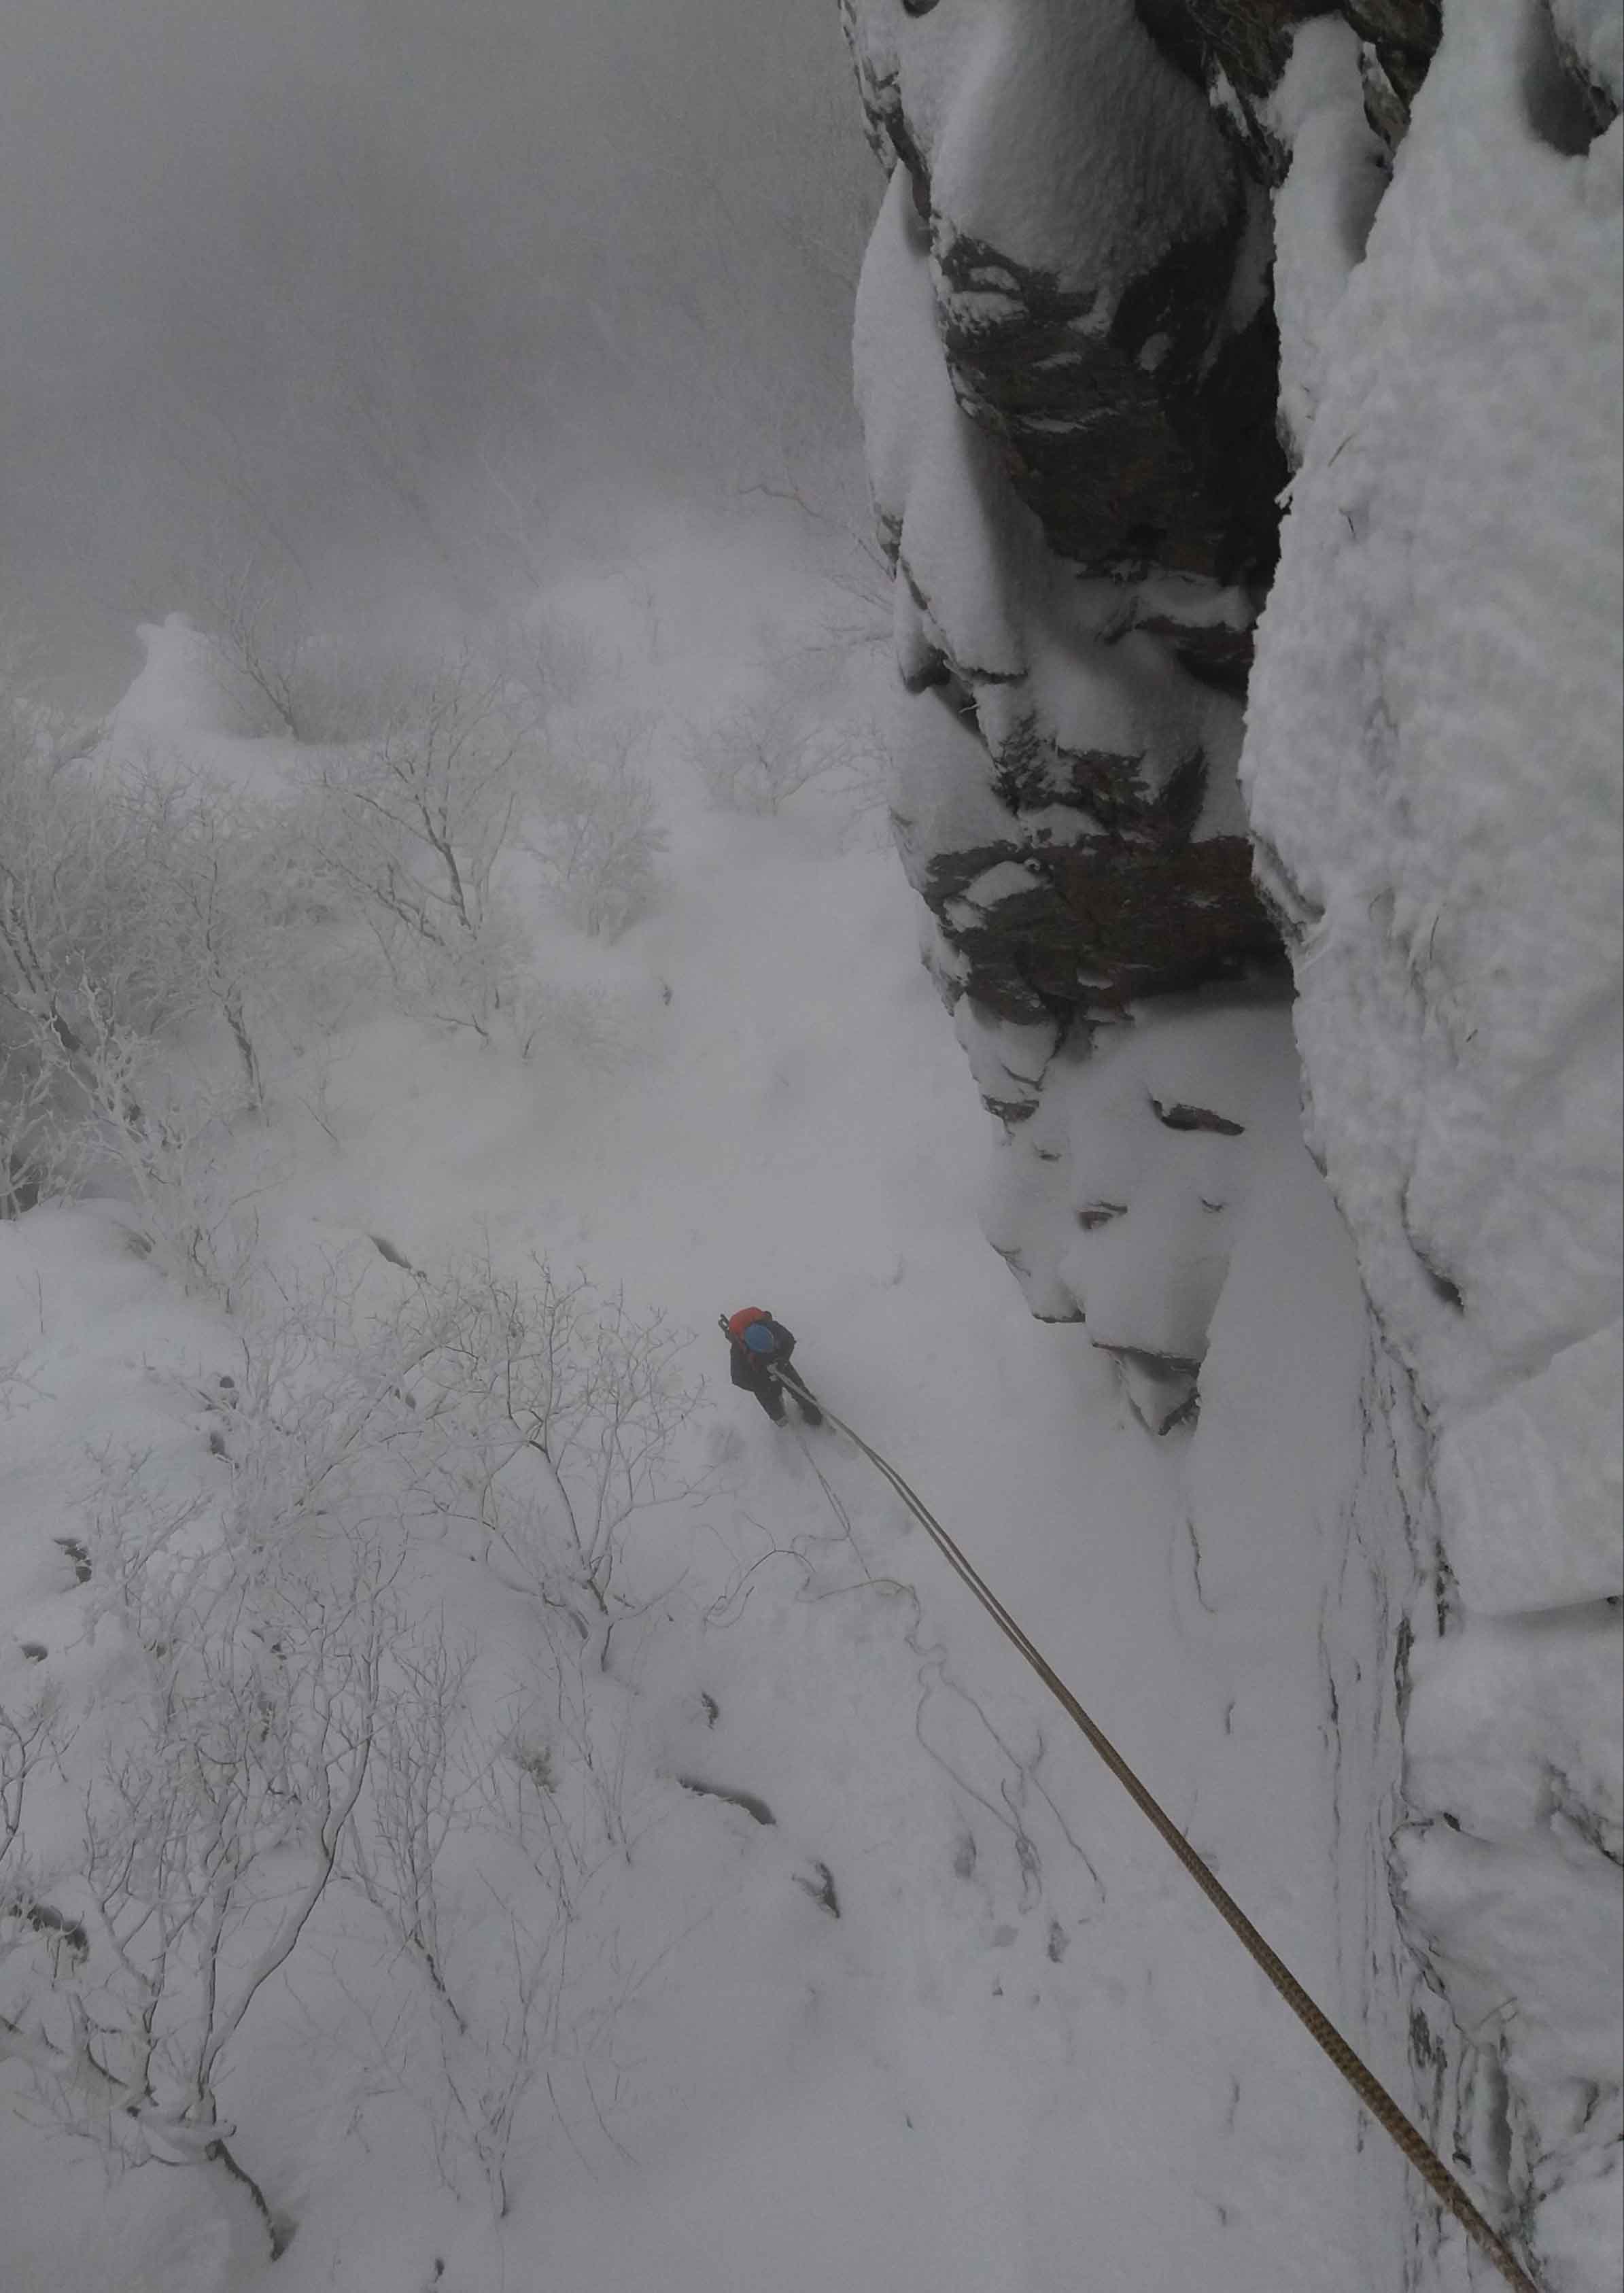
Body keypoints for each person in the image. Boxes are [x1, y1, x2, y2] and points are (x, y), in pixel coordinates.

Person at [721, 1307, 824, 1428]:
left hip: (778, 1360)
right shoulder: (739, 1352)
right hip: (758, 1373)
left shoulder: (774, 1328)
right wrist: (764, 1383)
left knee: (797, 1386)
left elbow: (789, 1340)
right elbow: (739, 1379)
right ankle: (780, 1418)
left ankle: (813, 1412)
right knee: (768, 1398)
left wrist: (783, 1360)